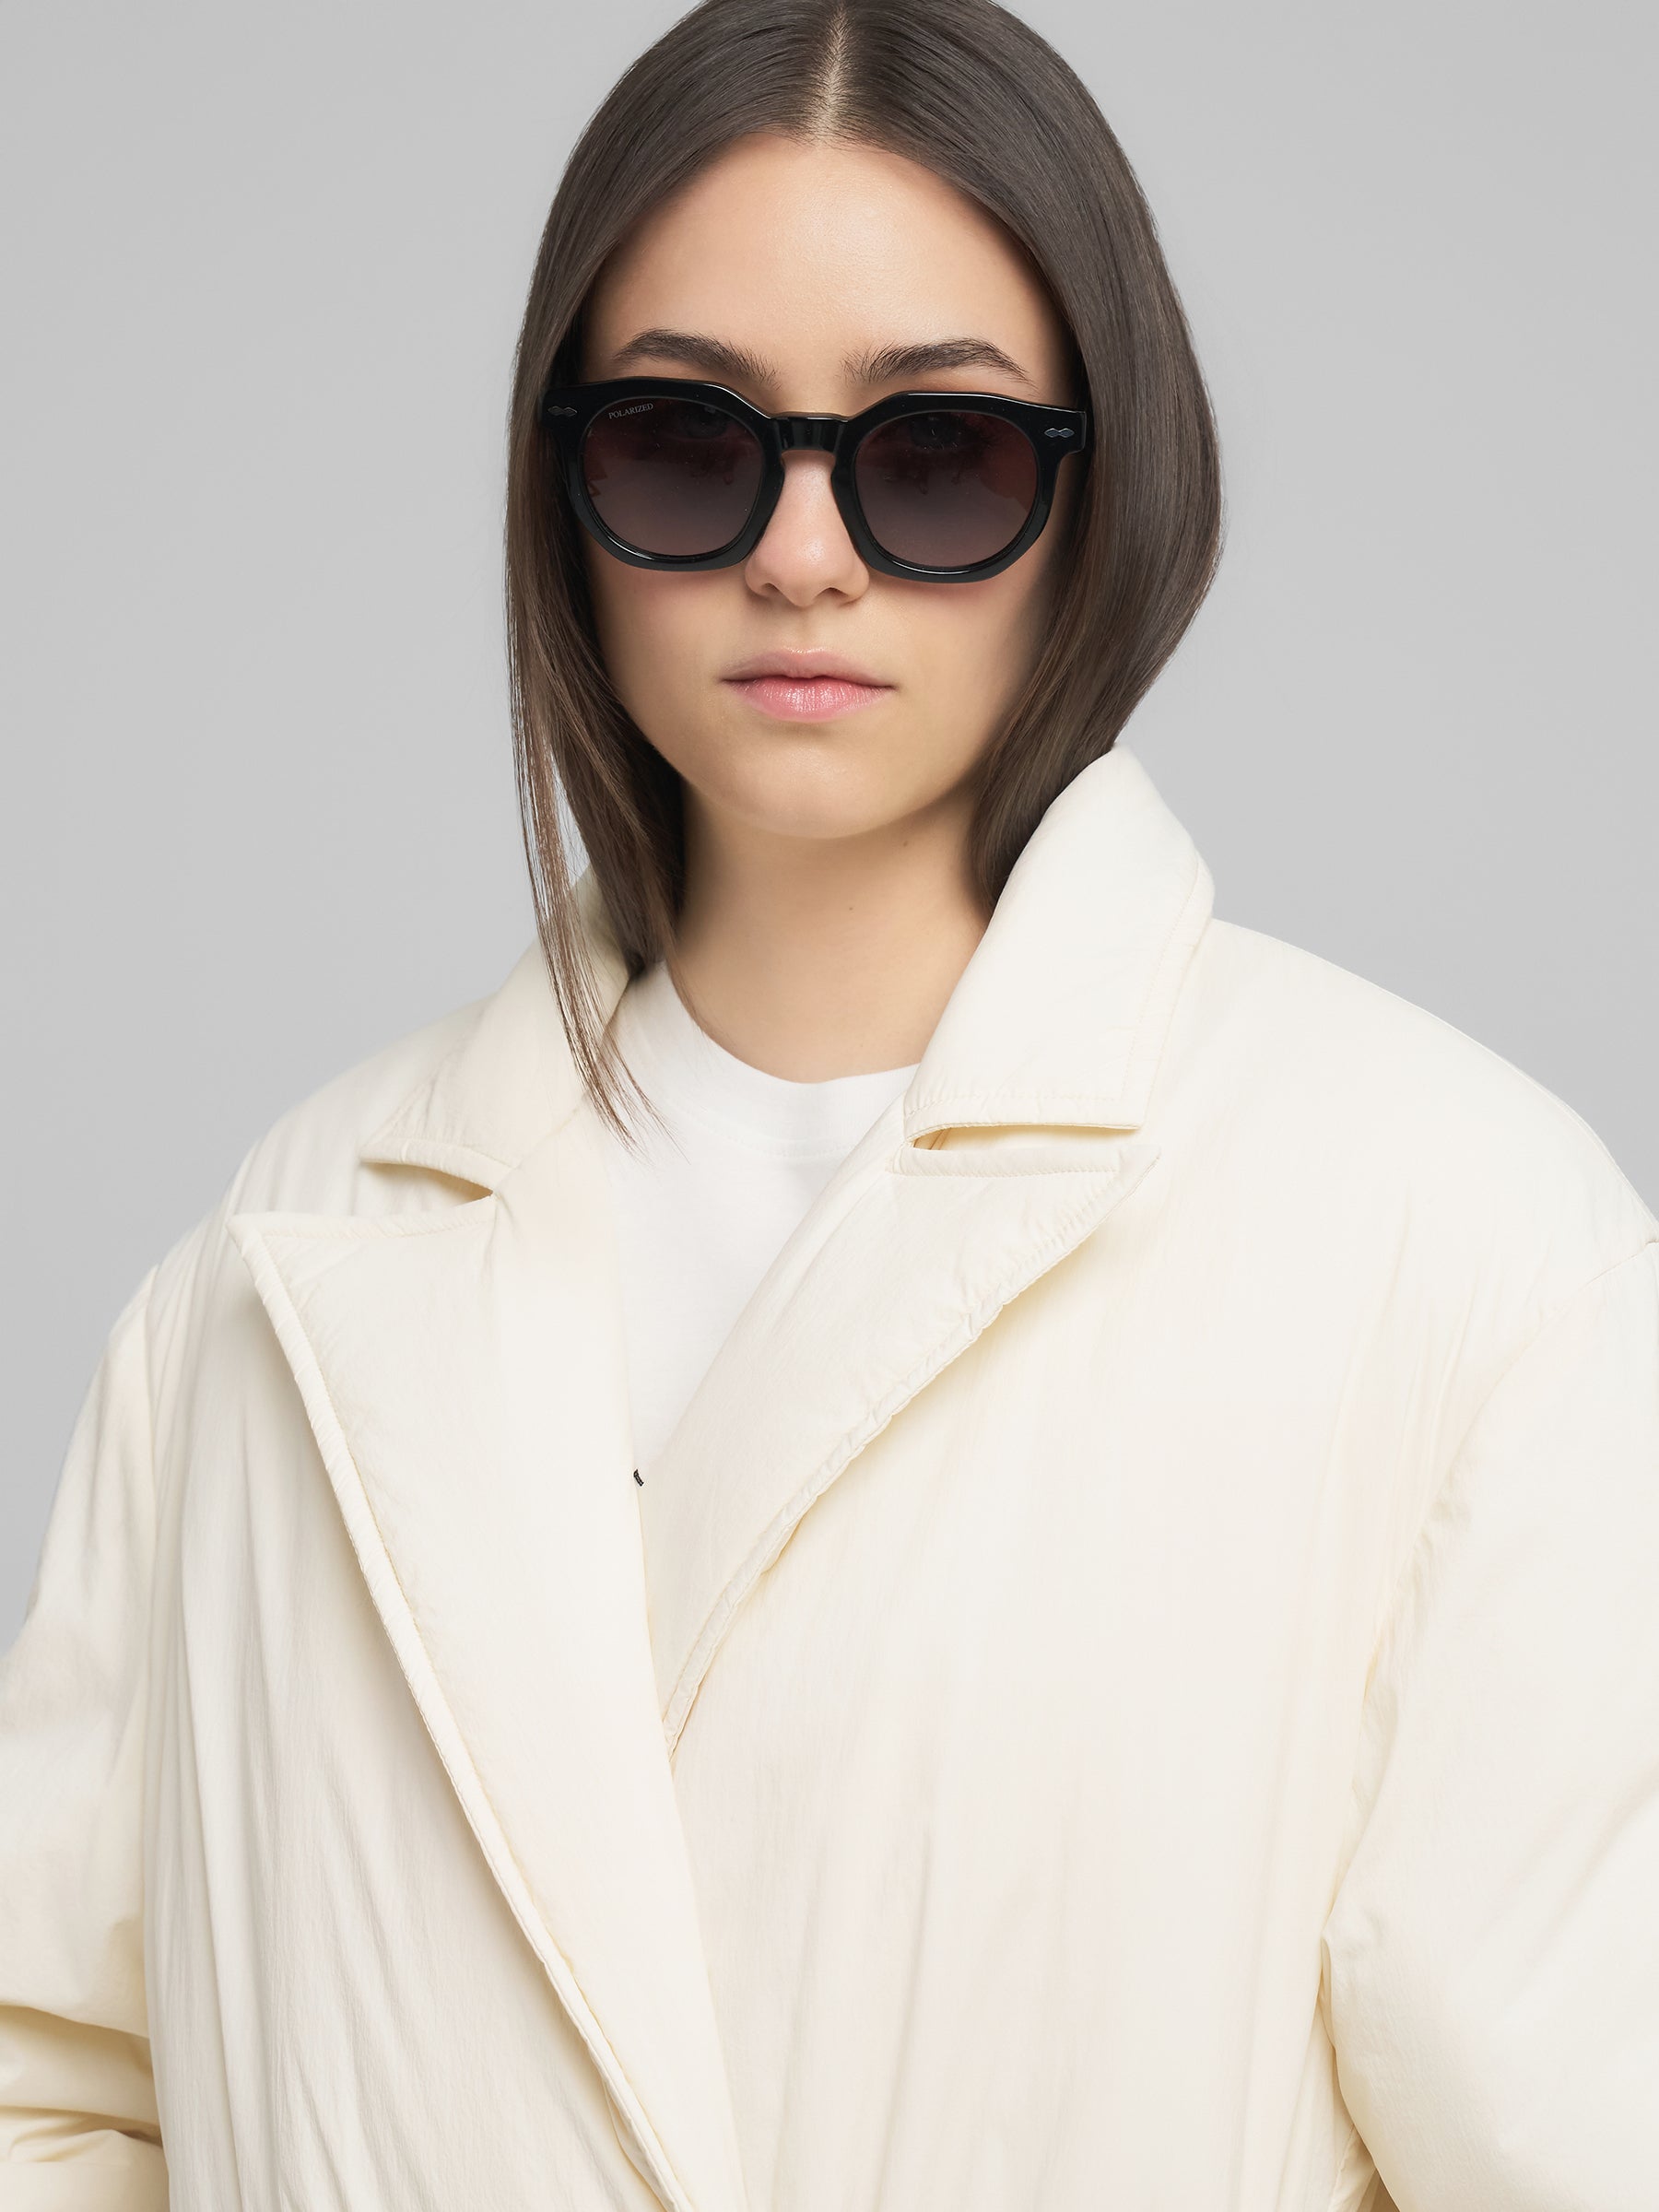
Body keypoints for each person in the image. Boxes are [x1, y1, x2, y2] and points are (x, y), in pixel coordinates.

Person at [2, 1, 1654, 2206]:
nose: (802, 556)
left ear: (1103, 493)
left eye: (938, 457)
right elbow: (54, 2092)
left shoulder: (1459, 1247)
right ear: (564, 493)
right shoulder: (276, 1269)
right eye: (683, 445)